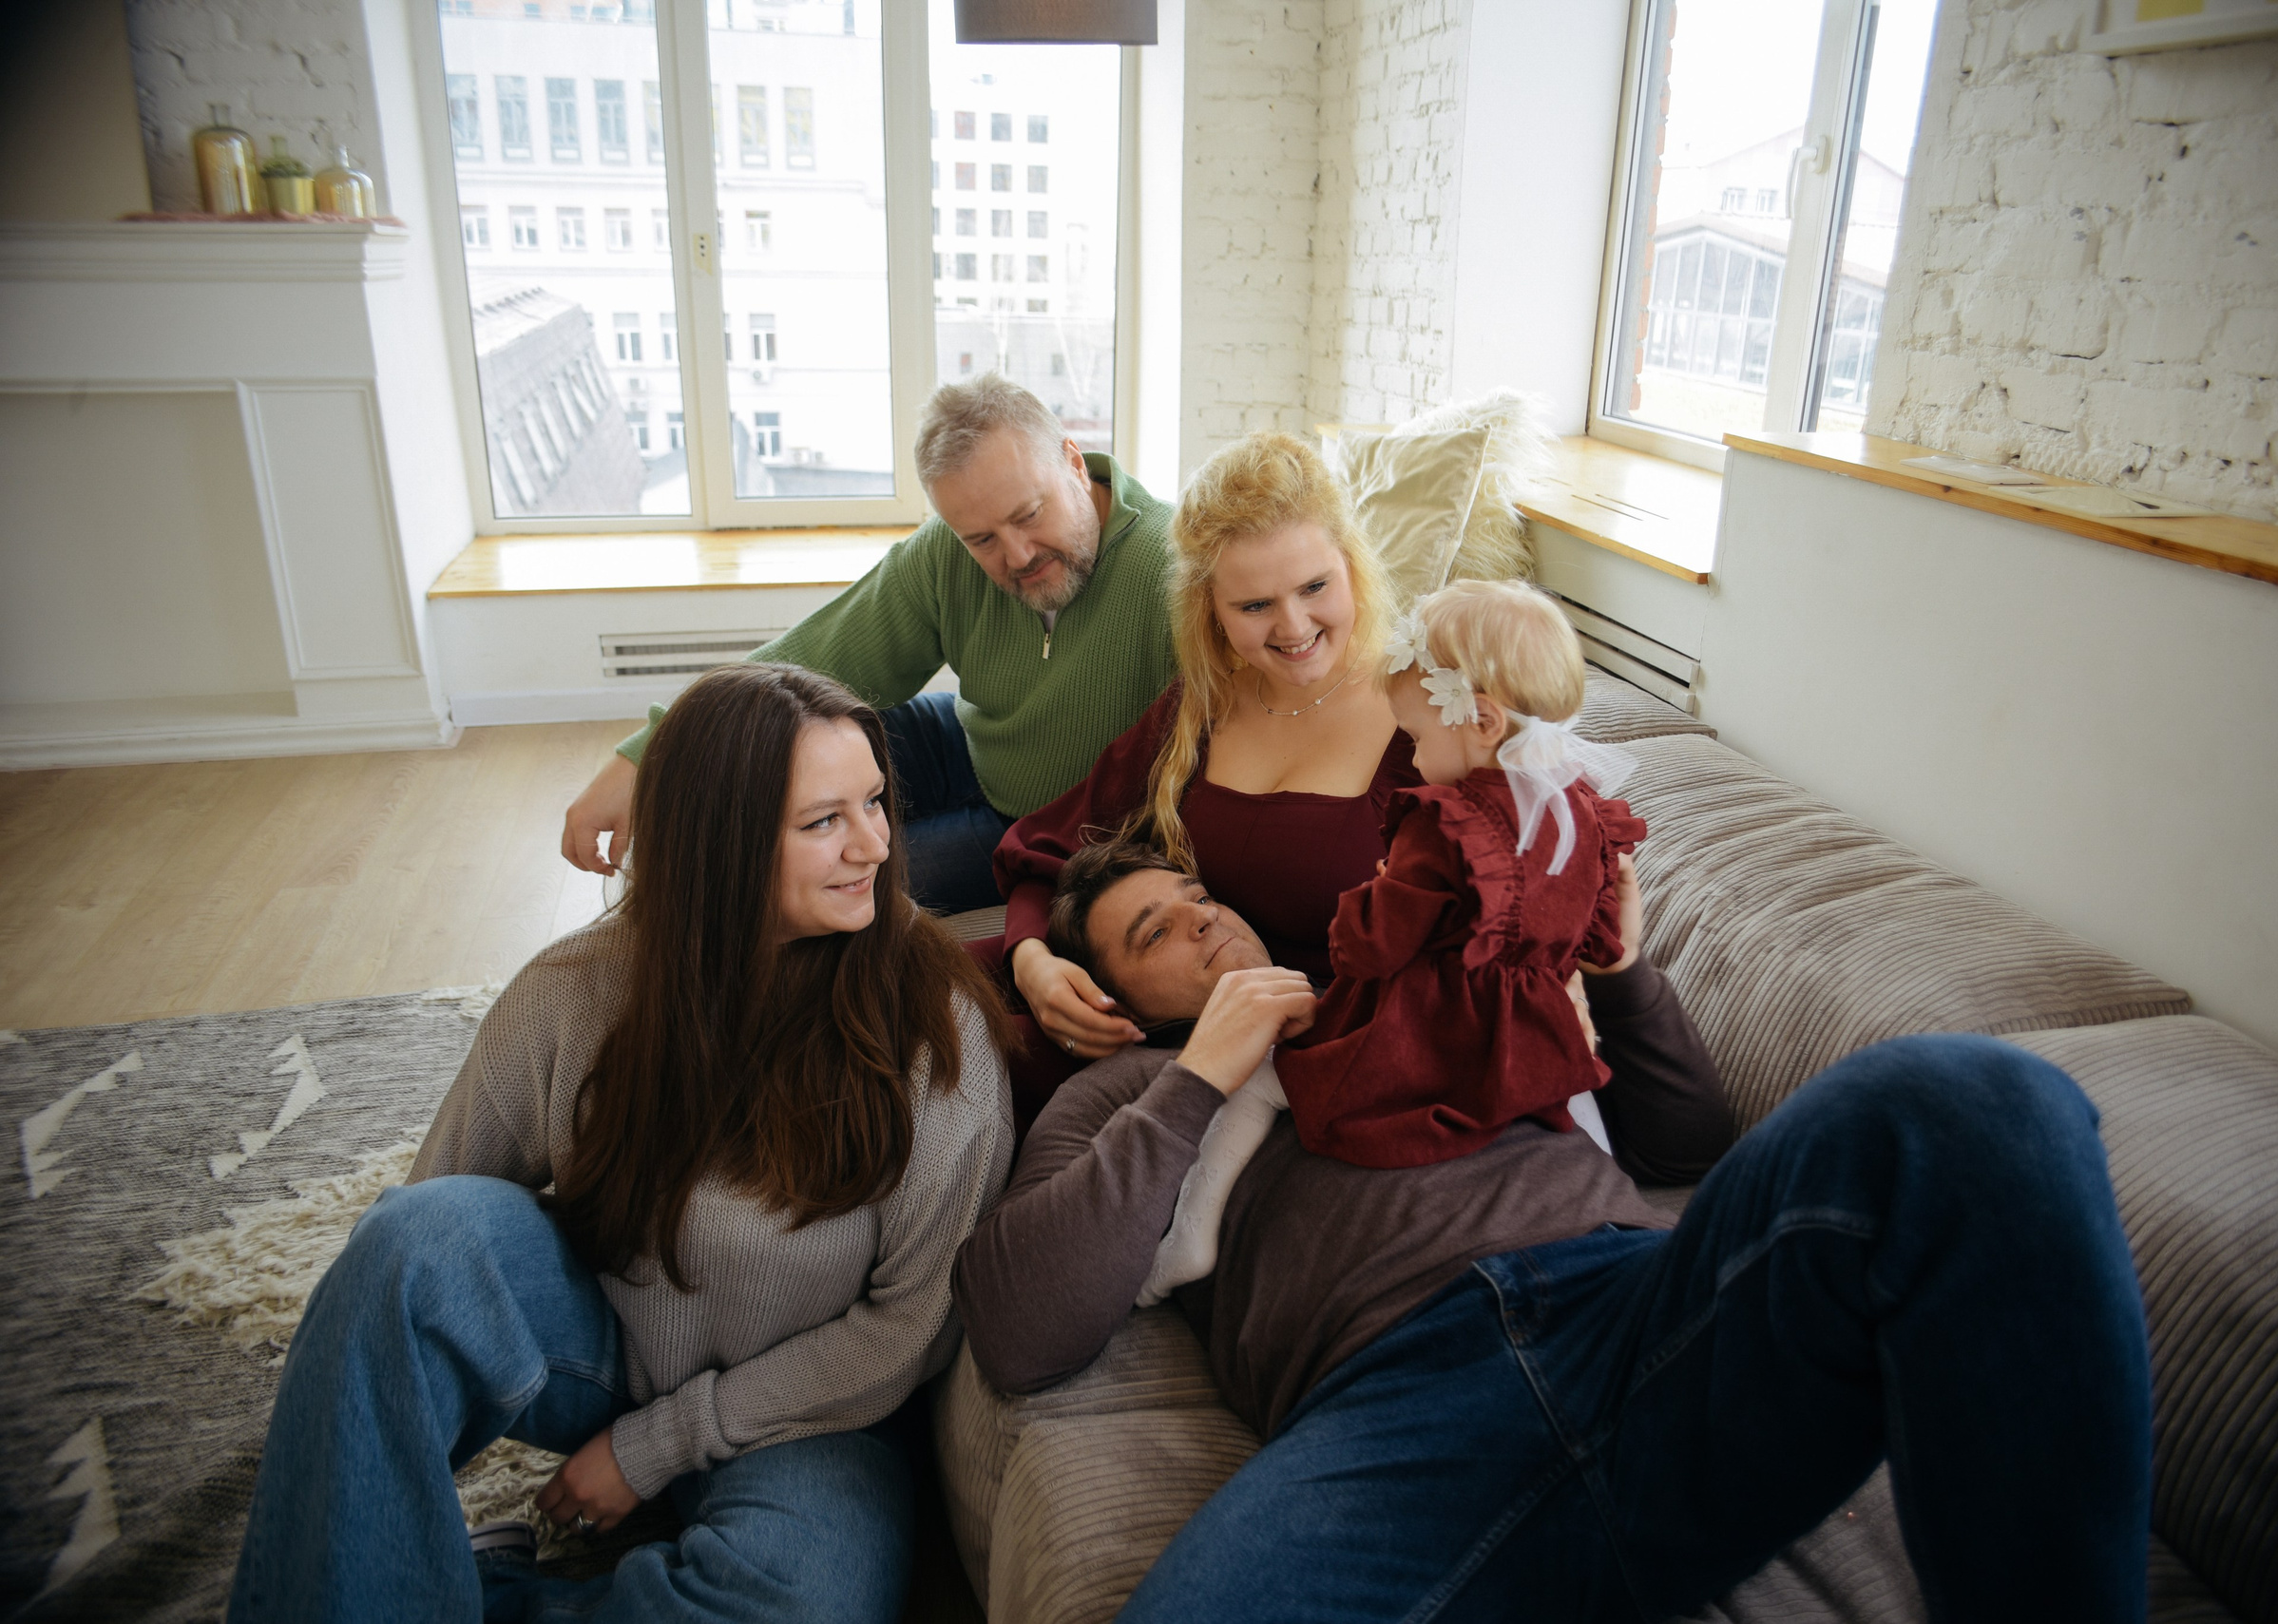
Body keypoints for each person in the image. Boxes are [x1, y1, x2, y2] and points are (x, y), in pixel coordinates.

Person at [953, 842, 2155, 1623]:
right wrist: (1200, 1076)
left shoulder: (1397, 980)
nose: (1204, 925)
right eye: (1156, 931)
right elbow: (1019, 1326)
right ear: (1111, 994)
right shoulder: (1118, 1099)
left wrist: (1622, 969)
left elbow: (1683, 1150)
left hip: (1637, 1312)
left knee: (1980, 1103)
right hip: (1395, 1414)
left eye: (1203, 899)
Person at [229, 665, 1015, 1624]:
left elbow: (905, 1334)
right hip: (606, 1342)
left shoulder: (936, 1030)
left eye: (876, 802)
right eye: (823, 821)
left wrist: (653, 1448)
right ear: (715, 845)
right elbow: (429, 1229)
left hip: (807, 1412)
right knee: (406, 1243)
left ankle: (447, 1580)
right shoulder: (571, 991)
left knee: (796, 1600)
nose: (875, 844)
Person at [561, 374, 1177, 915]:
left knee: (807, 883)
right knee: (781, 751)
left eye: (1028, 515)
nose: (1016, 555)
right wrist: (648, 756)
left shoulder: (1173, 566)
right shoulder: (947, 549)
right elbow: (818, 652)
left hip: (1050, 827)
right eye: (982, 539)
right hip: (973, 741)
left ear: (1074, 460)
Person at [991, 431, 1419, 1064]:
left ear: (1352, 566)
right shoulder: (1201, 706)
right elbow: (1052, 843)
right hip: (1170, 1030)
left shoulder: (1426, 718)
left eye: (1314, 587)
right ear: (1210, 609)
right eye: (1255, 604)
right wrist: (1032, 961)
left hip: (1337, 1045)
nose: (1294, 627)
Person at [1279, 577, 1648, 1168]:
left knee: (1297, 1082)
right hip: (1540, 1051)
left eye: (1417, 736)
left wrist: (1376, 896)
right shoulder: (1583, 812)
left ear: (1482, 722)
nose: (1413, 755)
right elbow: (1594, 940)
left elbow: (1369, 948)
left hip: (1436, 1043)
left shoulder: (1448, 823)